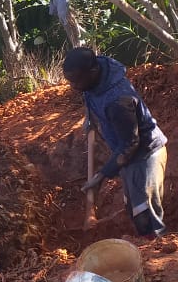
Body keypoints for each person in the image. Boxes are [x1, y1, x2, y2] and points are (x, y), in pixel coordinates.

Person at [62, 47, 168, 238]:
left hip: (144, 154)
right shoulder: (95, 76)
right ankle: (146, 242)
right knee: (133, 205)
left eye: (76, 81)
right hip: (128, 153)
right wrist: (90, 120)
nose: (73, 87)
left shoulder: (119, 101)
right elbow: (91, 97)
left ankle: (158, 249)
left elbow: (130, 144)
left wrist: (101, 176)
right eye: (70, 81)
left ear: (92, 72)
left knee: (144, 209)